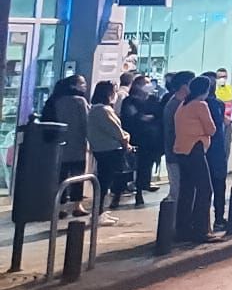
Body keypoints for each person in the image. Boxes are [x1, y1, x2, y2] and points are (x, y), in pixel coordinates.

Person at [172, 75, 219, 244]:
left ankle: (183, 229)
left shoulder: (182, 105)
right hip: (195, 149)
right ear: (205, 90)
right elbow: (212, 129)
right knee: (205, 189)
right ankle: (201, 230)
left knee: (187, 191)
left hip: (181, 150)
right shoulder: (200, 105)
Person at [41, 74, 91, 204]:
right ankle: (77, 205)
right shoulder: (80, 101)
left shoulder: (55, 100)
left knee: (60, 176)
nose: (85, 86)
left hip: (57, 144)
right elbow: (86, 123)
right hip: (76, 144)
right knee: (77, 175)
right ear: (73, 85)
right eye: (82, 83)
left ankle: (59, 205)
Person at [85, 80, 131, 219]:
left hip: (102, 149)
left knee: (104, 180)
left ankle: (100, 211)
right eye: (114, 91)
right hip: (109, 150)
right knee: (105, 181)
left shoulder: (95, 109)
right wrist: (126, 140)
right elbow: (116, 130)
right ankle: (98, 213)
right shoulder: (103, 110)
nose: (115, 94)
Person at [122, 75, 163, 201]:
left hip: (150, 140)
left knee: (145, 165)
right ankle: (120, 191)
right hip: (134, 137)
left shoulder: (153, 99)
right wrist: (143, 118)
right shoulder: (129, 101)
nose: (149, 85)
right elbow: (131, 117)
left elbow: (158, 115)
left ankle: (140, 190)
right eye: (146, 83)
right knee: (128, 166)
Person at [160, 72, 192, 212]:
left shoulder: (181, 103)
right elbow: (173, 132)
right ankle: (172, 227)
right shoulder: (174, 105)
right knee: (176, 191)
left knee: (181, 189)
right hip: (175, 153)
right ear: (184, 86)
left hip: (181, 153)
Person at [204, 72, 232, 231]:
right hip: (215, 150)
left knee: (206, 188)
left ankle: (208, 220)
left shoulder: (203, 104)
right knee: (218, 186)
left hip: (206, 150)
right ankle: (219, 218)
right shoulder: (215, 104)